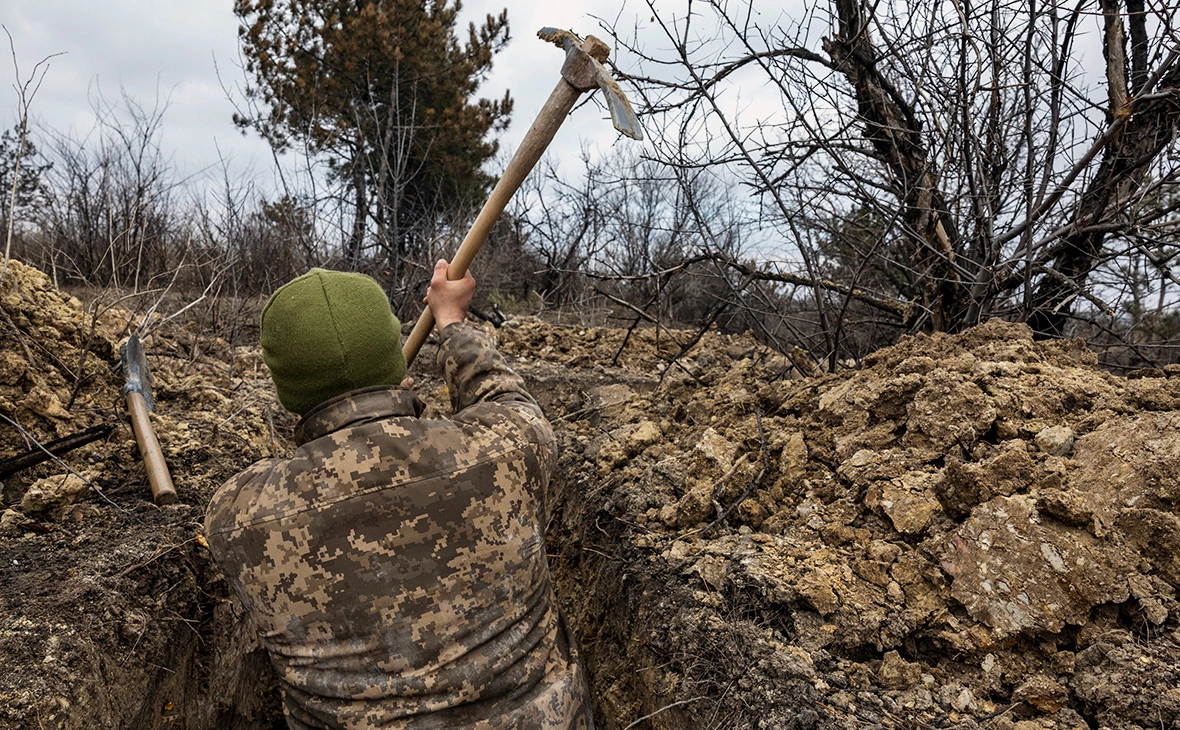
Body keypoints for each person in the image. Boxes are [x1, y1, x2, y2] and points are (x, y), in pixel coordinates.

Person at [204, 260, 593, 730]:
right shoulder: (510, 446)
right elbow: (502, 396)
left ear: (287, 389)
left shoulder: (236, 517)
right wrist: (452, 324)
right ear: (394, 357)